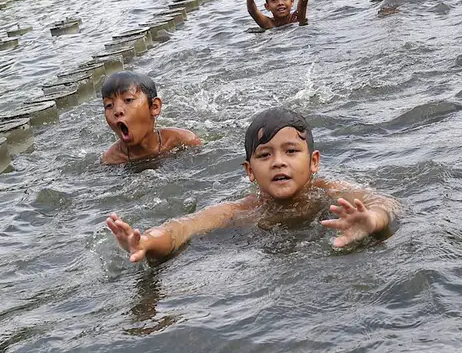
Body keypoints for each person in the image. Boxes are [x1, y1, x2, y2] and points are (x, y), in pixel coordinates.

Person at [105, 107, 401, 264]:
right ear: (249, 170)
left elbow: (386, 202)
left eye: (291, 151)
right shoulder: (242, 210)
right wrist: (146, 242)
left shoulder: (331, 192)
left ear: (313, 162)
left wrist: (372, 221)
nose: (278, 162)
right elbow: (182, 228)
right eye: (264, 155)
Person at [100, 71, 202, 165]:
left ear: (154, 107)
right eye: (109, 105)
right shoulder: (111, 160)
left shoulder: (183, 141)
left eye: (128, 100)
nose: (117, 111)